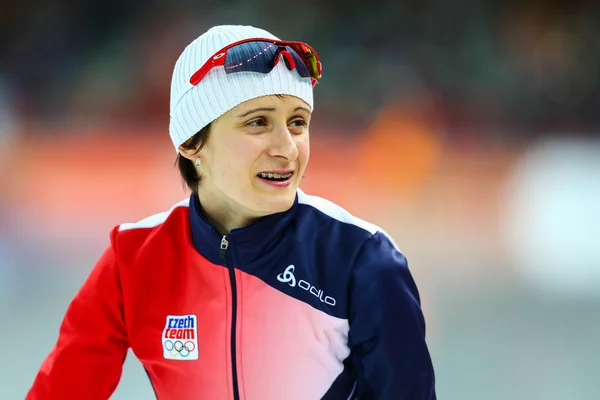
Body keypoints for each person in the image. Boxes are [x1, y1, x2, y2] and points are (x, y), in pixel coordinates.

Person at [26, 25, 436, 400]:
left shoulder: (361, 259)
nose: (287, 148)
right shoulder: (133, 259)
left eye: (297, 122)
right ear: (191, 143)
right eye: (258, 123)